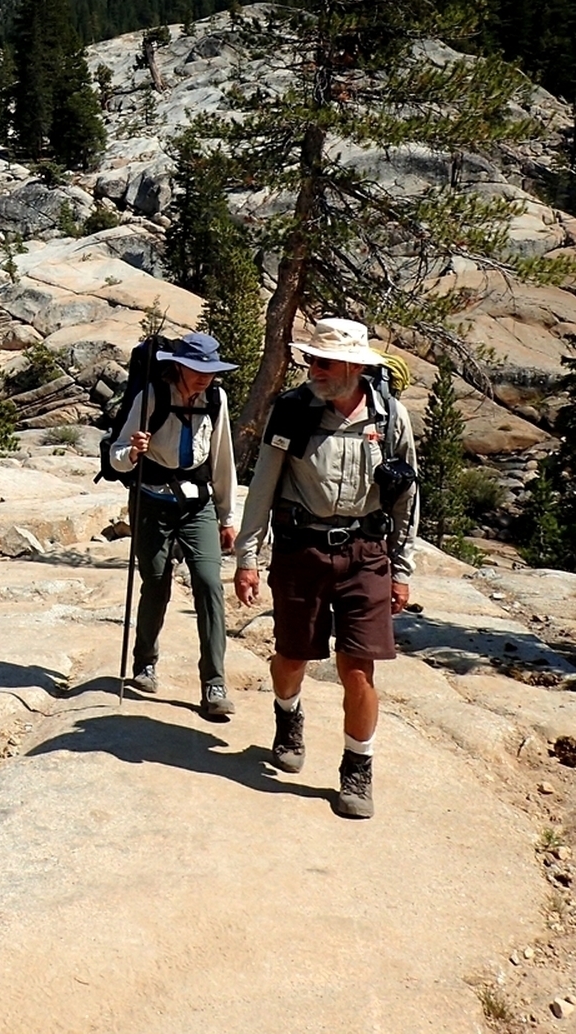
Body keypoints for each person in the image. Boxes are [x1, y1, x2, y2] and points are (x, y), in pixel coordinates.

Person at [233, 317, 418, 819]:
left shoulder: (390, 416)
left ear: (355, 367)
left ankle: (358, 769)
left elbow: (406, 493)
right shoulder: (291, 412)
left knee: (358, 668)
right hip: (302, 553)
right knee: (293, 658)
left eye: (325, 361)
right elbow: (264, 486)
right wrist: (247, 557)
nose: (313, 368)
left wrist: (401, 567)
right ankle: (287, 712)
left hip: (366, 554)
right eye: (311, 359)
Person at [107, 331, 240, 722]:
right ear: (178, 366)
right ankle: (145, 661)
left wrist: (227, 516)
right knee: (156, 581)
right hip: (151, 502)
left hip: (197, 505)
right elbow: (117, 456)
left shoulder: (216, 399)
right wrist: (133, 451)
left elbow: (223, 460)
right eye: (198, 370)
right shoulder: (151, 395)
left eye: (211, 371)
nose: (205, 378)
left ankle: (214, 682)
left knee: (210, 583)